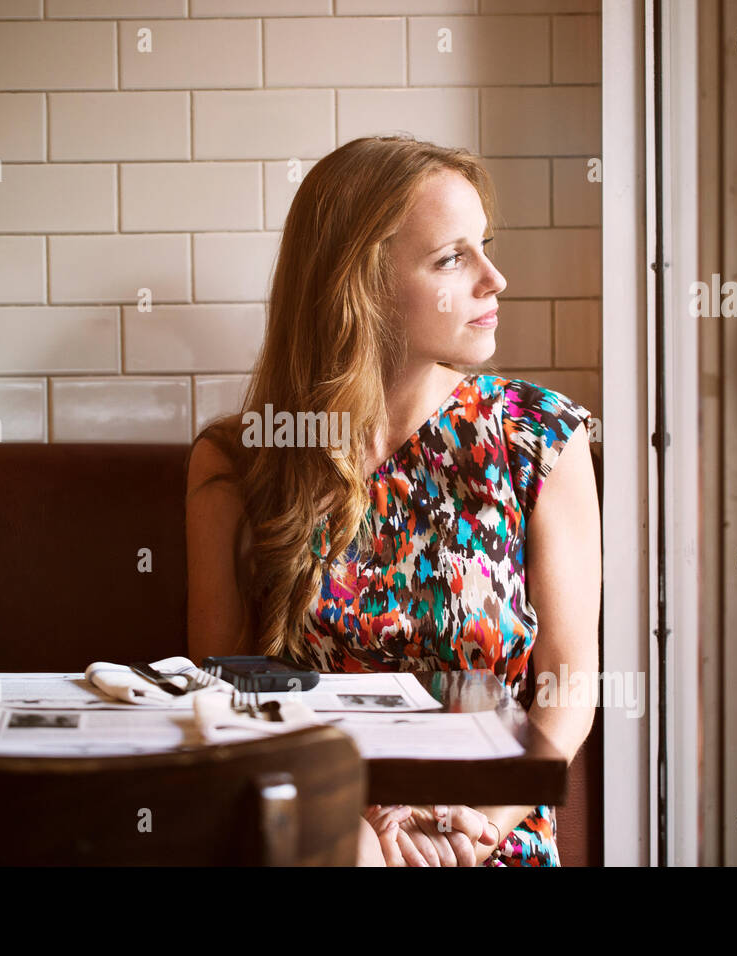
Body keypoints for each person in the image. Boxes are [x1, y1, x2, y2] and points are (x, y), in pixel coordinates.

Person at [185, 135, 601, 866]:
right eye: (453, 258)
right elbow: (223, 702)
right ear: (360, 286)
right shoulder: (239, 462)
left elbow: (570, 691)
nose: (495, 278)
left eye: (486, 247)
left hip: (488, 827)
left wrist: (478, 820)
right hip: (321, 821)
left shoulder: (538, 438)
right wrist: (366, 816)